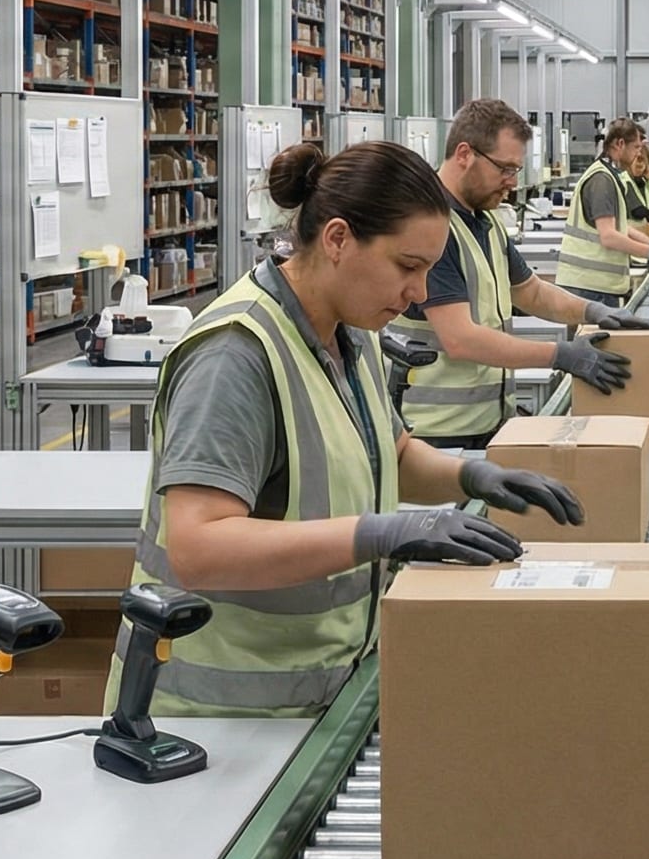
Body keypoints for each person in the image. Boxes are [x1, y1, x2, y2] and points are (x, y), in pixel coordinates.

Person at [117, 140, 586, 717]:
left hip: (316, 697)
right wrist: (379, 534)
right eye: (407, 267)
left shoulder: (349, 328)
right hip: (220, 723)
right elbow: (198, 546)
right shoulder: (235, 355)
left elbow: (391, 454)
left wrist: (477, 477)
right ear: (338, 240)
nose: (418, 293)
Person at [387, 99, 649, 448]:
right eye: (504, 169)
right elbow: (460, 339)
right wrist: (558, 355)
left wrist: (595, 311)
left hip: (485, 422)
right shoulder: (430, 228)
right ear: (464, 154)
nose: (511, 183)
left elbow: (530, 292)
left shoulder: (484, 221)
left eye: (515, 170)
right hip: (434, 433)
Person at [556, 118, 649, 307]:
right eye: (635, 147)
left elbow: (620, 227)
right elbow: (609, 237)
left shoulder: (611, 175)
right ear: (620, 144)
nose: (638, 154)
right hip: (588, 285)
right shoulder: (601, 180)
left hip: (596, 285)